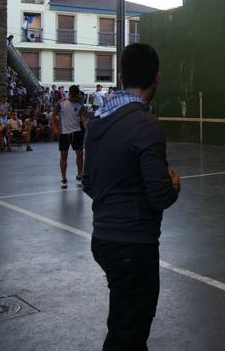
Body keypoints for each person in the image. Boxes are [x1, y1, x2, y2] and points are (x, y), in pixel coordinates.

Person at [83, 43, 180, 351]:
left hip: (103, 240)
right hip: (134, 247)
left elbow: (88, 183)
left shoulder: (97, 122)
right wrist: (174, 185)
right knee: (128, 335)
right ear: (157, 78)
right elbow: (160, 195)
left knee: (127, 326)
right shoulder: (147, 125)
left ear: (122, 77)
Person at [51, 85, 88, 189]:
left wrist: (88, 130)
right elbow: (53, 116)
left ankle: (79, 176)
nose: (76, 97)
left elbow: (84, 120)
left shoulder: (80, 105)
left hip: (77, 132)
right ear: (70, 93)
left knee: (80, 154)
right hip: (64, 133)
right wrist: (55, 128)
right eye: (74, 95)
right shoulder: (61, 103)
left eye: (77, 95)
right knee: (64, 155)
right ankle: (64, 178)